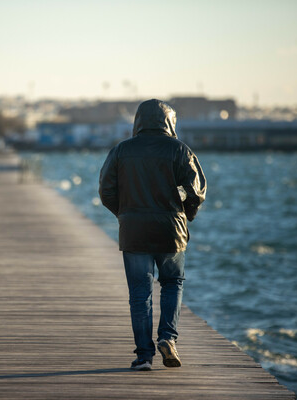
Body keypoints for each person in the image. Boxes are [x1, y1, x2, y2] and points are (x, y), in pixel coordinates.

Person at [99, 99, 206, 371]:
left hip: (134, 231)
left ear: (138, 121)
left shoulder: (121, 151)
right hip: (171, 231)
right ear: (170, 122)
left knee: (139, 294)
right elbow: (196, 191)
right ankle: (168, 339)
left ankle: (144, 356)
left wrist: (125, 215)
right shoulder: (180, 150)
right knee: (172, 284)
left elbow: (106, 191)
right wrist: (185, 215)